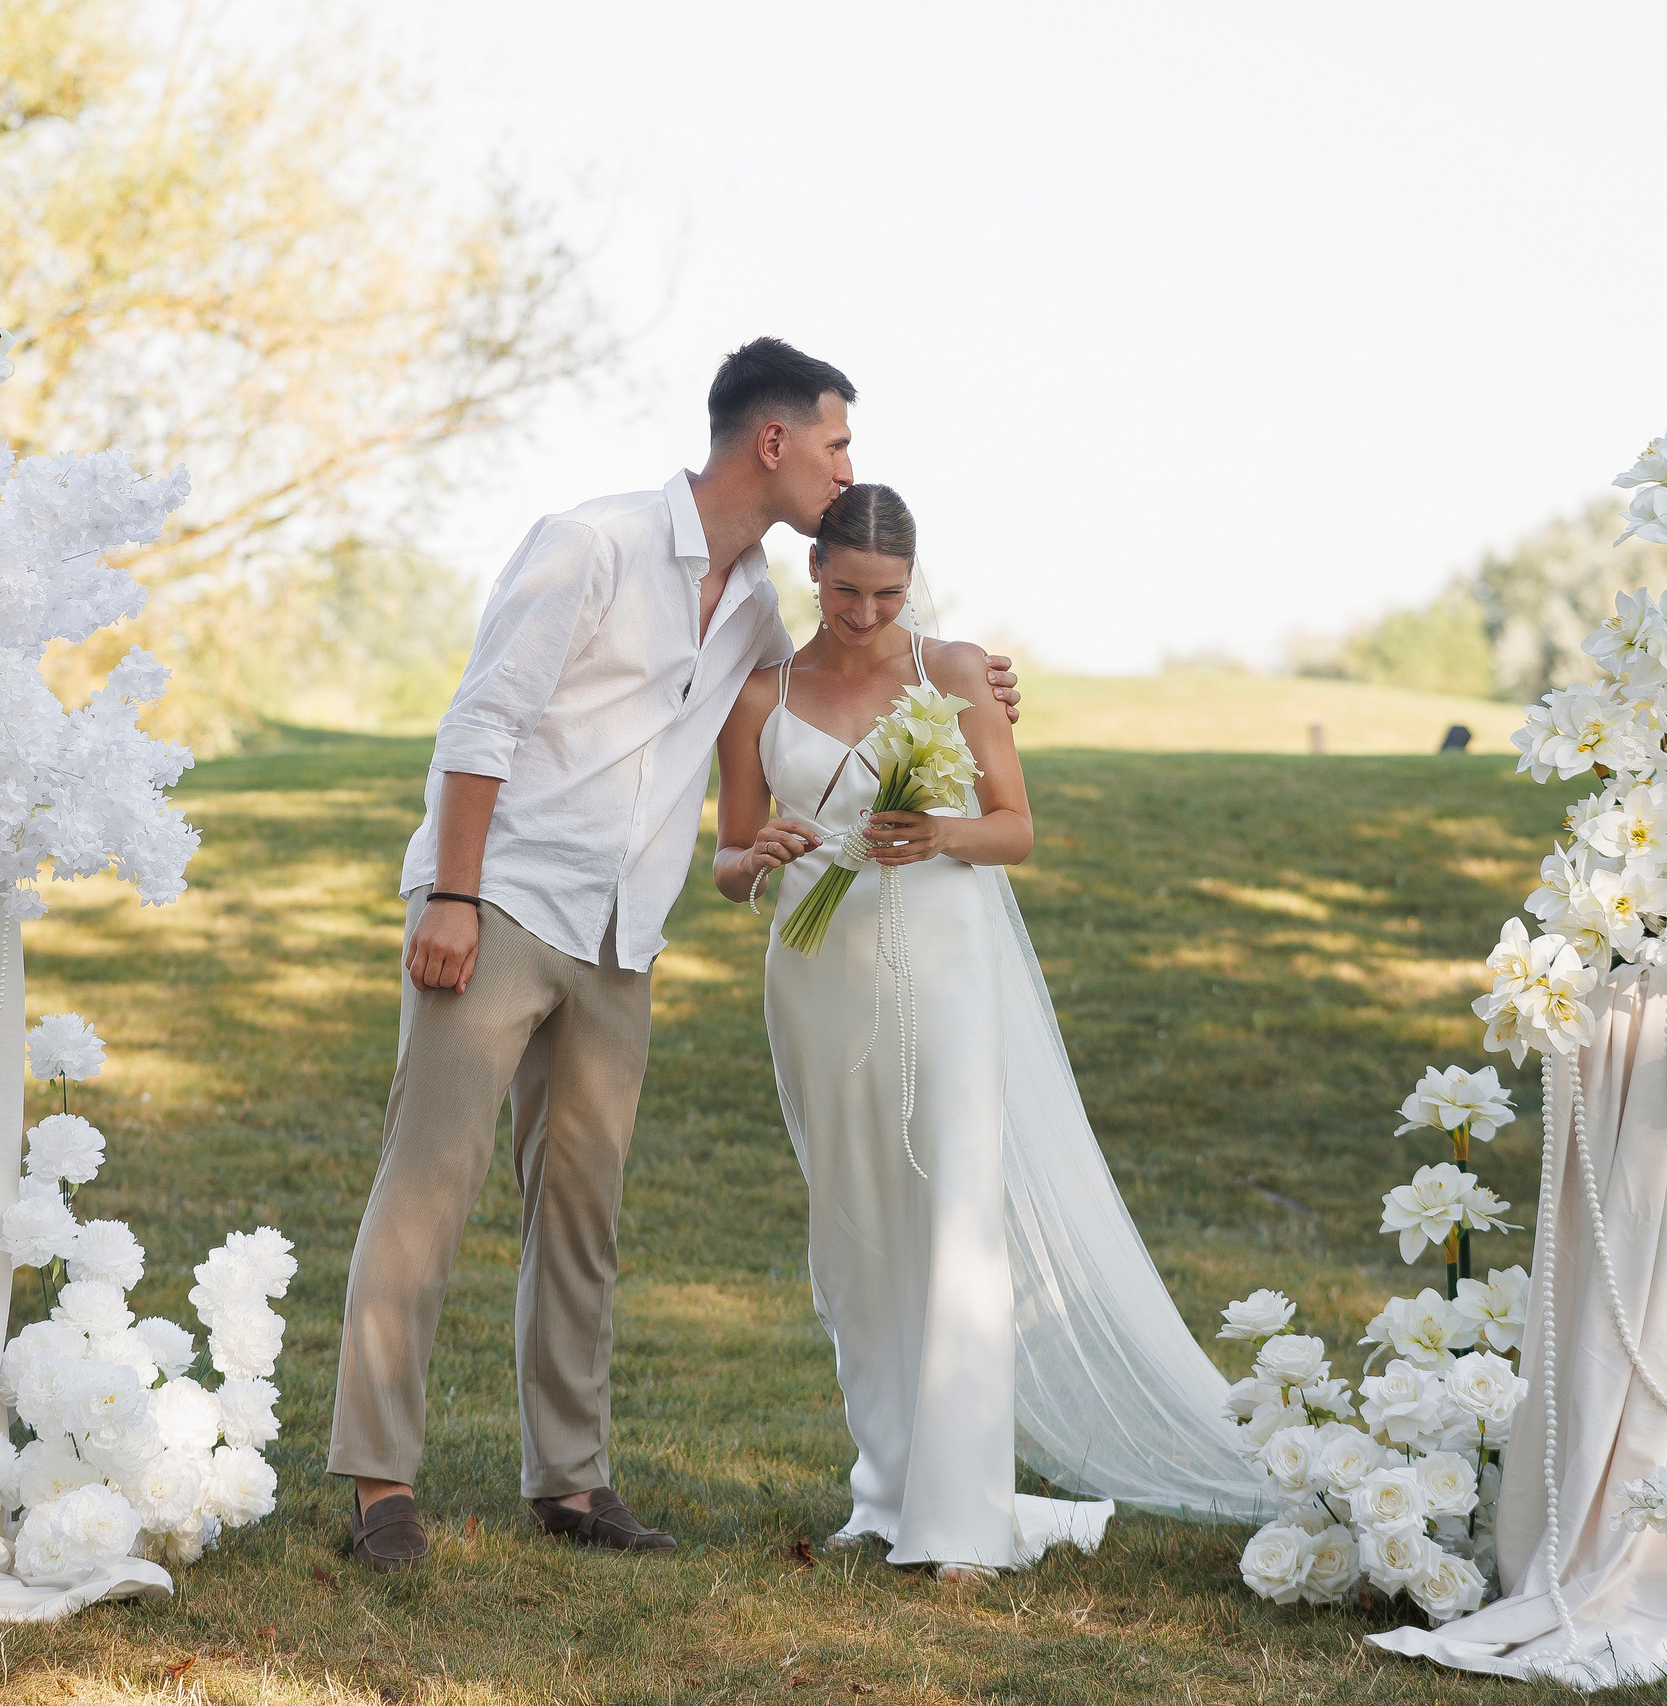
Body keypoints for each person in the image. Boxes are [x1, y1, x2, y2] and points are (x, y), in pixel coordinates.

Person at [328, 341, 1021, 1573]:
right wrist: (452, 893)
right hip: (503, 902)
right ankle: (381, 1483)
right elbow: (481, 719)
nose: (845, 467)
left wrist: (972, 680)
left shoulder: (755, 605)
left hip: (620, 936)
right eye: (837, 443)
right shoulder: (589, 545)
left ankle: (571, 1481)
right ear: (775, 441)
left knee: (582, 1211)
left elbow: (833, 683)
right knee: (428, 1185)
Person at [712, 484, 1277, 1580]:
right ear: (812, 570)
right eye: (843, 591)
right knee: (855, 1233)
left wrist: (938, 835)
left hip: (946, 968)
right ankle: (886, 1488)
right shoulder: (757, 694)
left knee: (954, 1219)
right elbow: (728, 861)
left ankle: (962, 1515)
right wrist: (760, 855)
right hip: (817, 979)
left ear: (911, 582)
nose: (864, 615)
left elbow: (1014, 829)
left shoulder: (958, 672)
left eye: (887, 594)